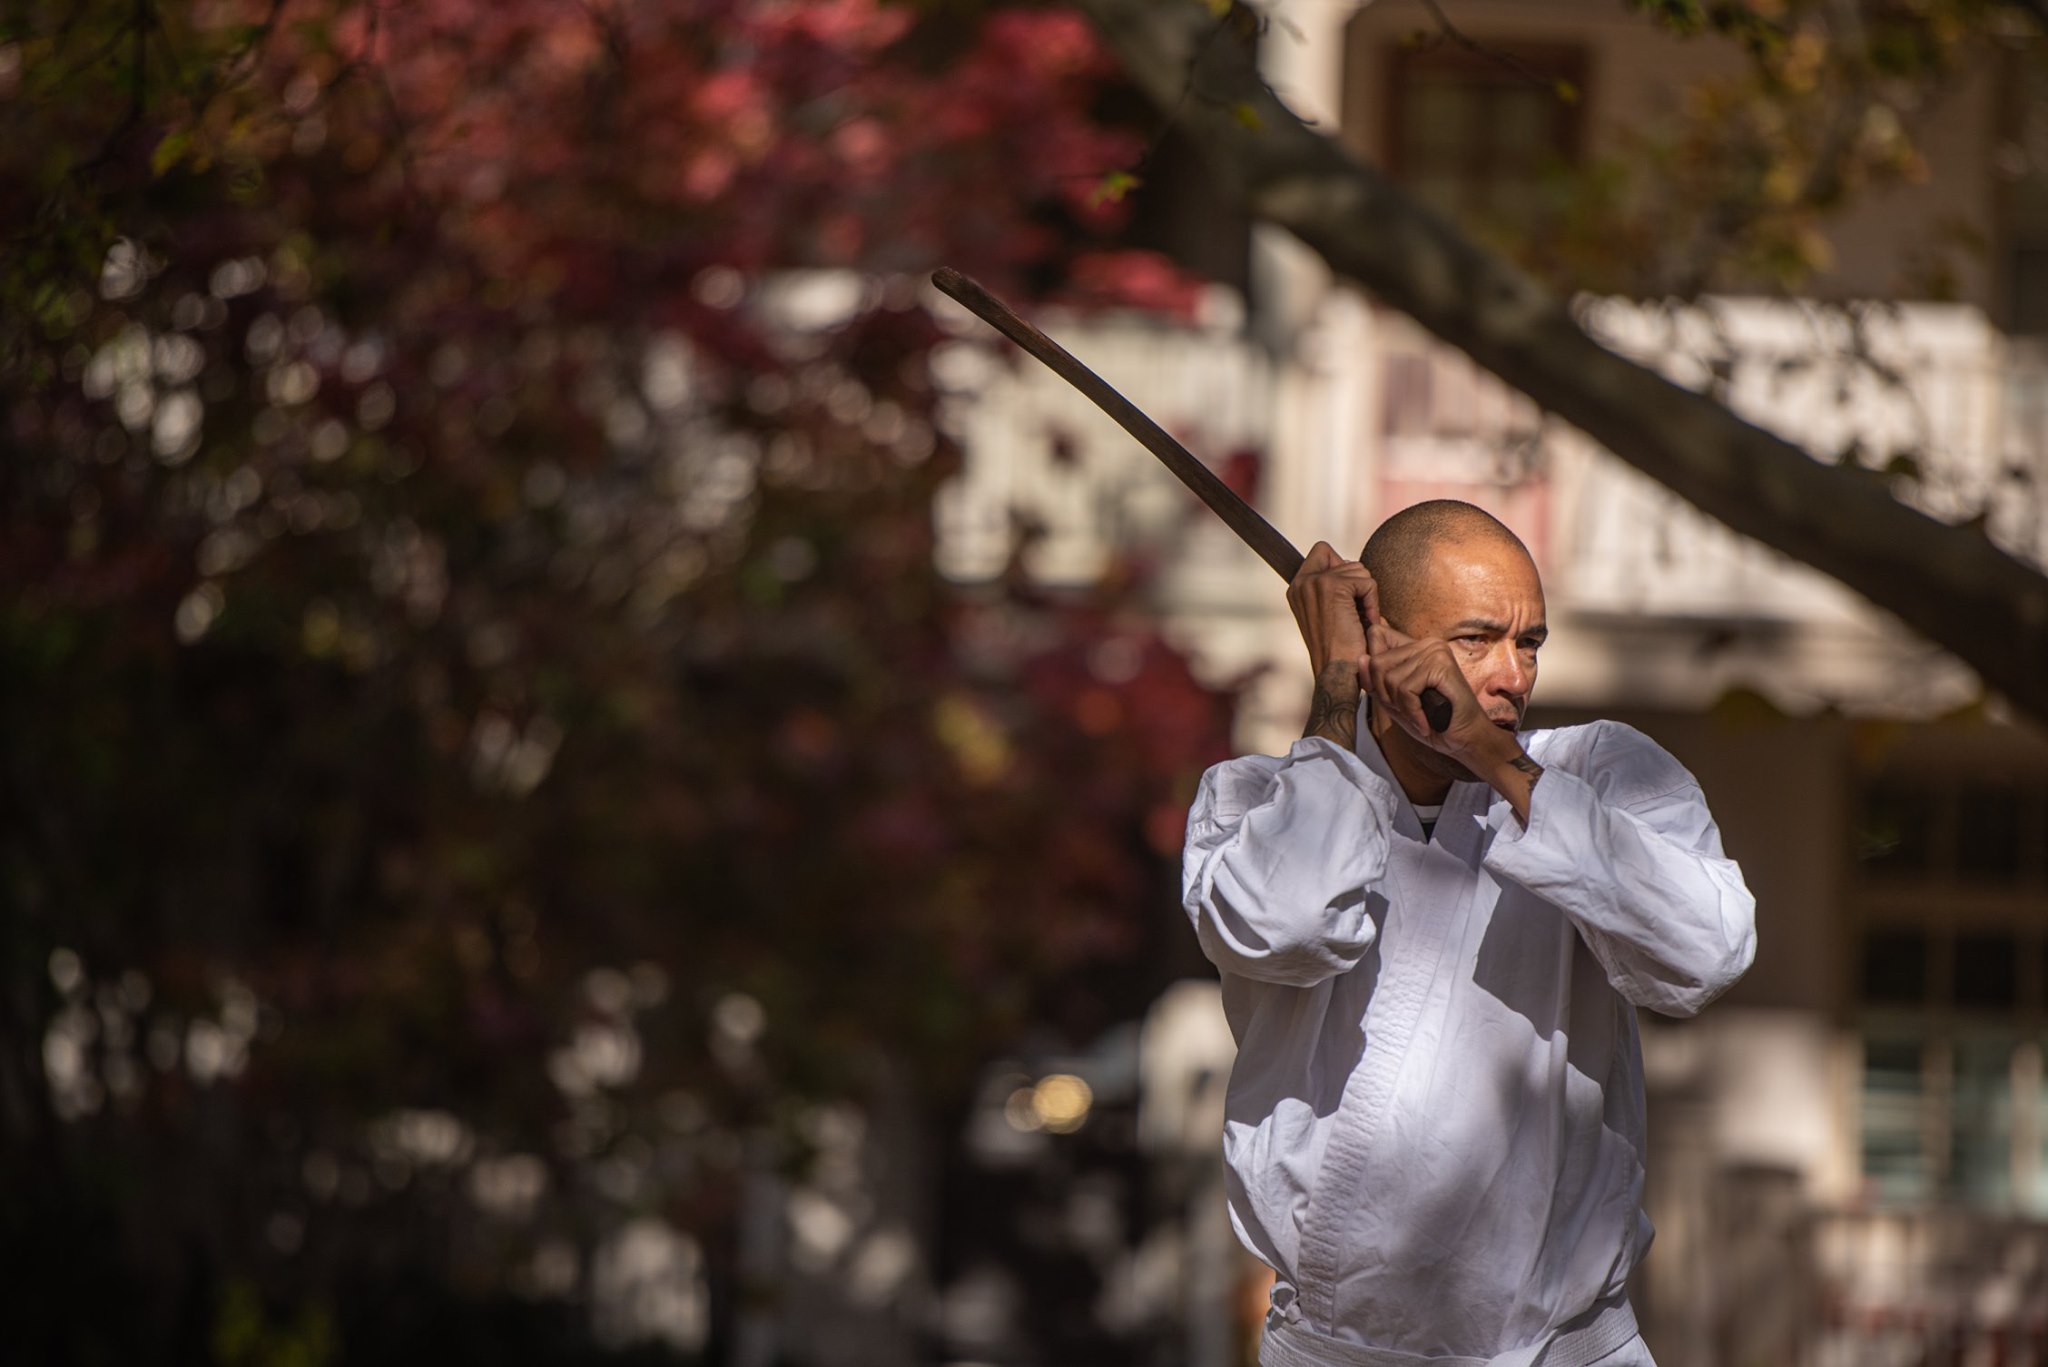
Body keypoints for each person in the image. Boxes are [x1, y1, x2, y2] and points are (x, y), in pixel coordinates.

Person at [1182, 500, 1756, 1367]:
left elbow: (1707, 952)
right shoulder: (1253, 801)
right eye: (1478, 638)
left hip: (1571, 1347)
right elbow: (1288, 925)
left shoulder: (1598, 774)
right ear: (1382, 643)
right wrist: (1336, 687)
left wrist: (1494, 758)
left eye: (1529, 643)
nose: (1512, 675)